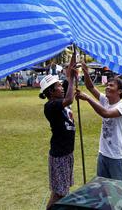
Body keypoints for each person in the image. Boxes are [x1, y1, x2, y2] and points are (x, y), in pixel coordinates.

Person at [76, 62, 122, 181]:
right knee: (102, 189)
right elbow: (90, 87)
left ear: (119, 91)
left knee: (118, 191)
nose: (107, 87)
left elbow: (106, 113)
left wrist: (88, 99)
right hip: (103, 154)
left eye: (111, 85)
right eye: (108, 84)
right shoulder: (105, 100)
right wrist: (85, 71)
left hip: (117, 157)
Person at [39, 53, 77, 209]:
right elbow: (70, 99)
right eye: (58, 87)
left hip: (67, 153)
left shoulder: (59, 99)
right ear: (50, 93)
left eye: (61, 85)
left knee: (64, 190)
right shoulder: (51, 106)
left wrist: (74, 54)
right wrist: (72, 79)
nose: (62, 88)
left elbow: (70, 72)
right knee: (59, 193)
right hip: (59, 155)